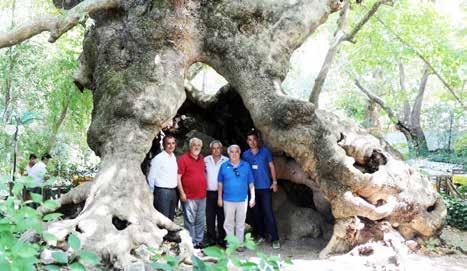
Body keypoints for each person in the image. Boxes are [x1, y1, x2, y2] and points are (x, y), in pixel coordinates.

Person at [242, 130, 280, 249]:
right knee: (256, 214)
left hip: (265, 188)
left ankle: (275, 239)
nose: (252, 142)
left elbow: (271, 166)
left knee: (268, 213)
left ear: (257, 140)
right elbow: (244, 171)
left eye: (254, 139)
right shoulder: (245, 155)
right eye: (249, 140)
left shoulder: (265, 152)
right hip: (252, 189)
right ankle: (262, 235)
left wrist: (274, 182)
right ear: (247, 142)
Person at [218, 144, 255, 251]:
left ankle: (239, 245)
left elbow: (251, 183)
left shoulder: (246, 165)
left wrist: (253, 197)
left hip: (242, 199)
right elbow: (220, 183)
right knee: (228, 223)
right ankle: (230, 244)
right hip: (227, 199)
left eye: (236, 151)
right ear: (228, 153)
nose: (234, 154)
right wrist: (219, 198)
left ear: (240, 153)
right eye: (232, 152)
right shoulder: (224, 166)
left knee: (240, 223)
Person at [177, 137, 207, 249]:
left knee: (200, 220)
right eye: (194, 144)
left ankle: (199, 241)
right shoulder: (183, 159)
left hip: (202, 195)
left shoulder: (202, 159)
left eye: (199, 145)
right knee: (189, 220)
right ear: (190, 146)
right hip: (189, 196)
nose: (197, 147)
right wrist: (182, 193)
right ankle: (191, 242)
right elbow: (178, 177)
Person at [147, 135, 178, 220]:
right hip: (162, 192)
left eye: (173, 143)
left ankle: (169, 234)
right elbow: (151, 177)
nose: (171, 146)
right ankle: (163, 234)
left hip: (173, 192)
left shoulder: (174, 157)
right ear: (164, 145)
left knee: (171, 218)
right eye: (168, 144)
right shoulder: (158, 158)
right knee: (163, 219)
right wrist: (152, 193)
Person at [204, 140, 228, 246]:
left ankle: (222, 238)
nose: (216, 150)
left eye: (218, 148)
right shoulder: (206, 160)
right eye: (213, 148)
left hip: (222, 193)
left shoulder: (226, 161)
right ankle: (211, 239)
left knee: (222, 216)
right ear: (211, 149)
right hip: (208, 193)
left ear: (221, 149)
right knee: (210, 217)